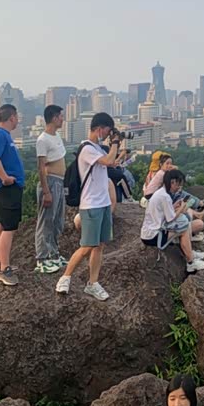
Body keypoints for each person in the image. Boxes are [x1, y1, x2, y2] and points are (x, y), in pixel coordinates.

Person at [55, 113, 122, 301]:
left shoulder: (97, 148)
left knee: (99, 245)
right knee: (87, 246)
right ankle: (65, 277)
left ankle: (93, 283)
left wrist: (118, 147)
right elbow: (108, 161)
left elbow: (111, 162)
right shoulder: (86, 149)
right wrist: (115, 142)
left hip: (103, 203)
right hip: (91, 204)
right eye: (107, 131)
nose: (108, 135)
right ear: (99, 129)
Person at [0, 104, 26, 287]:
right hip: (6, 188)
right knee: (9, 227)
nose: (18, 120)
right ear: (12, 117)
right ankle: (4, 269)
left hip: (6, 188)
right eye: (17, 117)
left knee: (1, 223)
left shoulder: (4, 135)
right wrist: (5, 178)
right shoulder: (0, 134)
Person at [141, 169, 204, 273]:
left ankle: (190, 253)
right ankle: (191, 263)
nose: (179, 188)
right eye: (178, 184)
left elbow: (165, 214)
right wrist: (182, 207)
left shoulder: (161, 193)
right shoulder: (164, 196)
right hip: (153, 236)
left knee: (185, 224)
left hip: (152, 231)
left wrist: (175, 206)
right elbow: (171, 218)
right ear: (172, 182)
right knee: (184, 228)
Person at [34, 104, 67, 274]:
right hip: (50, 181)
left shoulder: (57, 136)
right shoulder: (43, 139)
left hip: (60, 182)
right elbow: (41, 167)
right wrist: (46, 191)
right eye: (60, 116)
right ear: (54, 118)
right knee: (46, 220)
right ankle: (42, 258)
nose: (62, 119)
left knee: (57, 221)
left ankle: (53, 253)